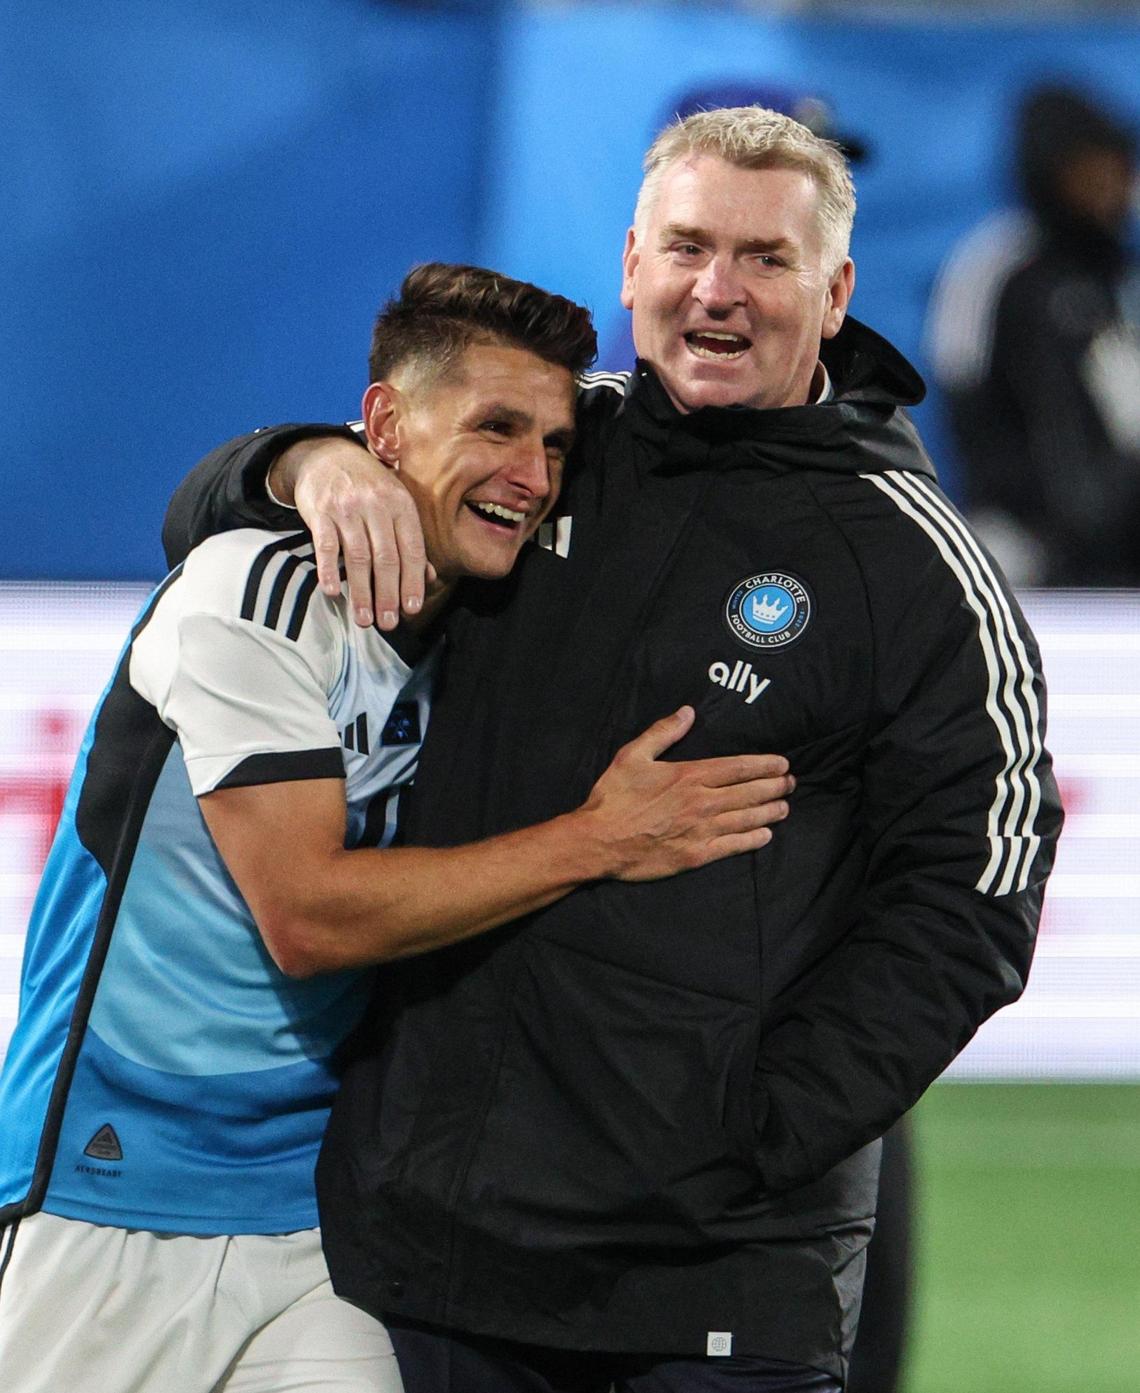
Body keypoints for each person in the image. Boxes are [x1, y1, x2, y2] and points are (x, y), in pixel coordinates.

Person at [163, 107, 1063, 1392]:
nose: (717, 290)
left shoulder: (915, 565)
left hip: (715, 1282)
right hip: (435, 1256)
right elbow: (210, 520)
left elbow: (980, 887)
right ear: (633, 264)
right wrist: (302, 463)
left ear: (836, 292)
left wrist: (759, 1126)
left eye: (765, 258)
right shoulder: (538, 447)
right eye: (687, 248)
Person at [0, 264, 797, 1393]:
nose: (532, 476)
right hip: (108, 1193)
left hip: (309, 1226)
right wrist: (601, 839)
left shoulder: (493, 630)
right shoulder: (254, 597)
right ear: (383, 426)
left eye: (555, 445)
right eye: (495, 428)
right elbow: (308, 918)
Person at [926, 82, 1140, 586]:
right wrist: (1036, 513)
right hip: (1023, 530)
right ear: (1049, 172)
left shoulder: (1121, 275)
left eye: (1115, 168)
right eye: (1088, 169)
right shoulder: (993, 268)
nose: (1106, 186)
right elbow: (961, 389)